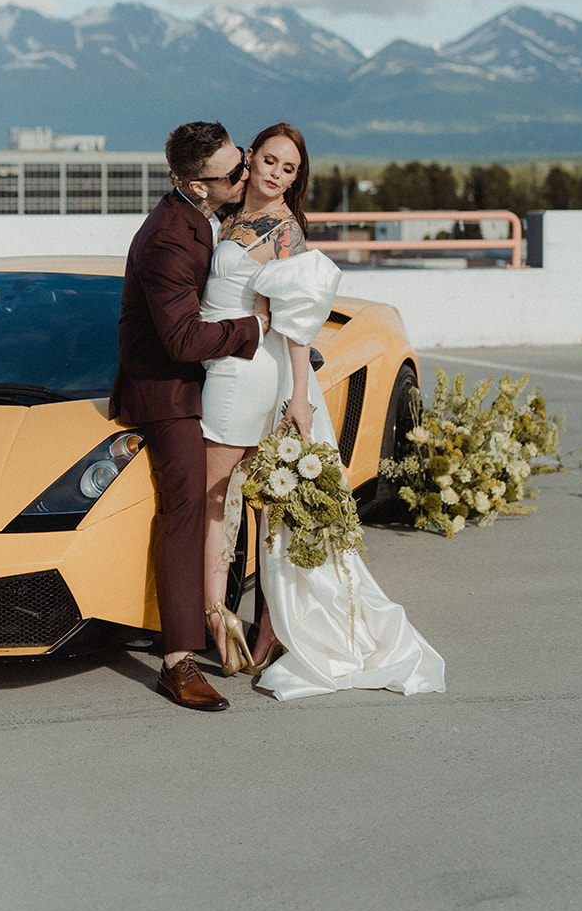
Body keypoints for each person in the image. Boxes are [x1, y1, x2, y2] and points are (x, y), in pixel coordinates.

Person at [199, 122, 445, 701]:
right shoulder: (227, 211)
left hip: (262, 373)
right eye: (270, 161)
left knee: (251, 503)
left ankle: (244, 628)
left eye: (289, 169)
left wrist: (301, 401)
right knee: (237, 501)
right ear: (251, 156)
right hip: (223, 364)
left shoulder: (284, 232)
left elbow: (295, 325)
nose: (276, 174)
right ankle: (245, 626)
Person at [111, 121, 269, 711]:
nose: (246, 174)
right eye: (235, 172)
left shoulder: (209, 216)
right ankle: (177, 660)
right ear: (195, 185)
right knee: (186, 505)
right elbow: (178, 340)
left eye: (243, 161)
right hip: (167, 391)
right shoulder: (168, 238)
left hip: (215, 380)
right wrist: (254, 330)